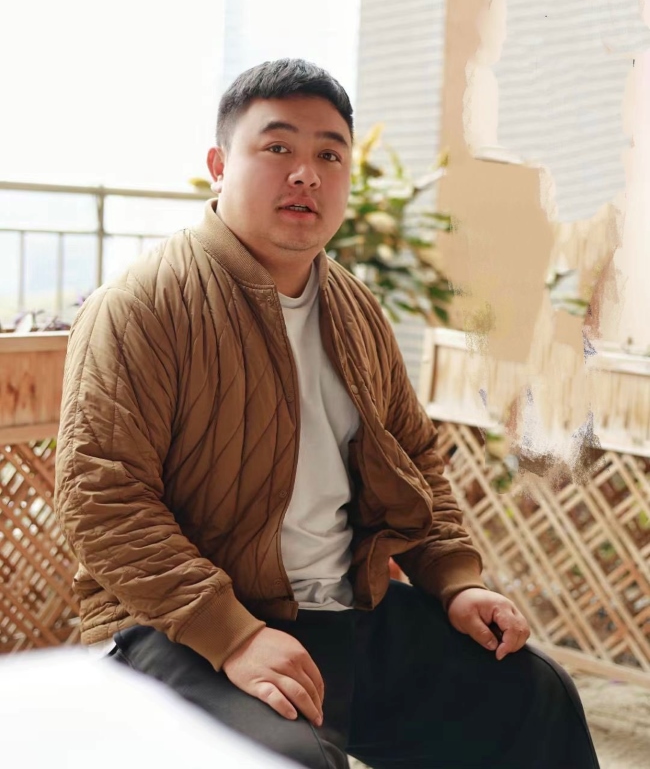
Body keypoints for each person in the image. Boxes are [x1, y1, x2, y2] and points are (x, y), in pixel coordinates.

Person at [55, 58, 600, 769]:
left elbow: (413, 458)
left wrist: (456, 580)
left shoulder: (354, 308)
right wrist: (233, 635)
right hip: (181, 627)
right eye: (277, 147)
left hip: (344, 613)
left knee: (531, 695)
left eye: (329, 155)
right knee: (292, 759)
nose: (305, 174)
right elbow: (102, 500)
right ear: (219, 166)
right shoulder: (141, 306)